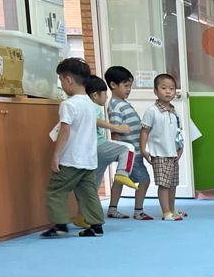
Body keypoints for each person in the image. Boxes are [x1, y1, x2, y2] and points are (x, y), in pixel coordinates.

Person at [41, 58, 106, 238]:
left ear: (68, 80)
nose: (62, 84)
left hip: (71, 158)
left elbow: (64, 131)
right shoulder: (90, 104)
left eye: (61, 80)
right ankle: (96, 226)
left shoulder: (68, 104)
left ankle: (60, 225)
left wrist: (56, 155)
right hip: (89, 159)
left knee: (56, 190)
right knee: (88, 192)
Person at [104, 66, 154, 219]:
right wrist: (117, 151)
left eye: (130, 86)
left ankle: (112, 208)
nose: (129, 90)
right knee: (144, 180)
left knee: (119, 178)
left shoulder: (122, 103)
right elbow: (115, 130)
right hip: (131, 153)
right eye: (126, 86)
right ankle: (138, 211)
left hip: (132, 152)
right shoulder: (115, 106)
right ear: (113, 85)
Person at [139, 74, 185, 222]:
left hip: (173, 153)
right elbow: (144, 131)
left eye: (171, 88)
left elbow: (178, 132)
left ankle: (171, 209)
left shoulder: (174, 110)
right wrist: (144, 150)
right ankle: (166, 212)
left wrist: (180, 148)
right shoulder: (152, 111)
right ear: (155, 91)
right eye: (163, 88)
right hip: (159, 153)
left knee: (172, 184)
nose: (168, 91)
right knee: (164, 185)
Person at [86, 75, 138, 204]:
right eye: (105, 94)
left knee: (94, 183)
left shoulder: (86, 106)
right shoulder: (93, 106)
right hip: (98, 145)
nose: (106, 97)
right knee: (127, 148)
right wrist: (117, 127)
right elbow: (94, 120)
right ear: (95, 95)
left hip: (93, 151)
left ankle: (86, 211)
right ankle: (122, 174)